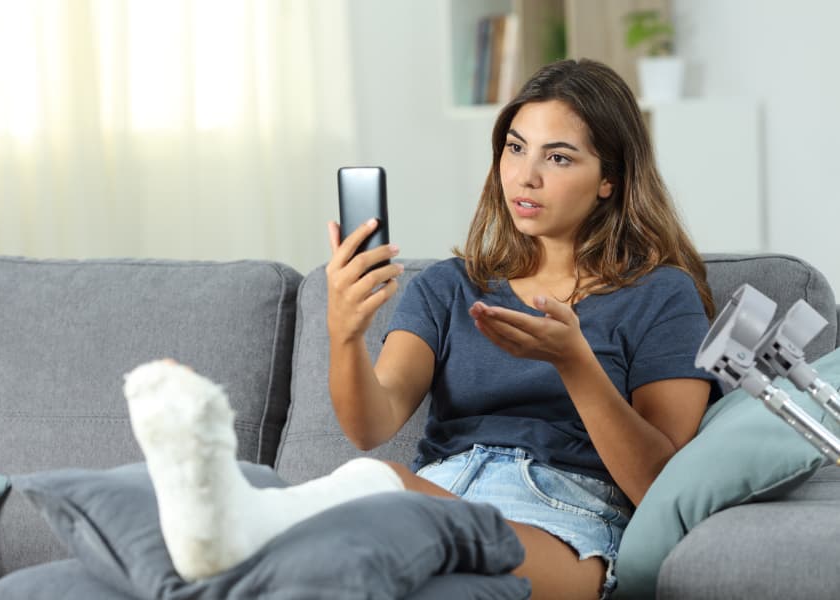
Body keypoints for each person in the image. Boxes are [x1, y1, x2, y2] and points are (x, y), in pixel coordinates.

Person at [125, 59, 719, 600]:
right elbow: (370, 423)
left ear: (609, 179)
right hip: (442, 486)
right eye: (515, 148)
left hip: (566, 518)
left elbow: (660, 487)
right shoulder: (450, 285)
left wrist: (575, 364)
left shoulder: (661, 294)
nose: (526, 176)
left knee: (375, 495)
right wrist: (345, 333)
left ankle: (240, 516)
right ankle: (246, 524)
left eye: (558, 157)